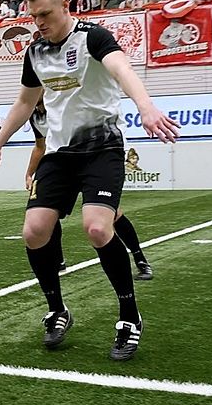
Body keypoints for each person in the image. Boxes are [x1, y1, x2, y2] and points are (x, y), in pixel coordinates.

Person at [0, 0, 179, 361]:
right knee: (34, 231)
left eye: (45, 14)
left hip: (101, 148)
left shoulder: (92, 37)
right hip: (58, 154)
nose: (38, 22)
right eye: (33, 15)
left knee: (97, 227)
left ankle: (129, 316)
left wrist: (146, 106)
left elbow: (122, 69)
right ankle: (57, 310)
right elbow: (25, 102)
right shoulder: (35, 52)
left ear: (65, 6)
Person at [25, 100, 154, 281]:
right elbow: (41, 146)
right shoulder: (34, 115)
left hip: (90, 160)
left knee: (113, 215)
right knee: (47, 211)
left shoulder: (63, 103)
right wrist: (30, 173)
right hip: (61, 164)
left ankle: (140, 259)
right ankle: (58, 260)